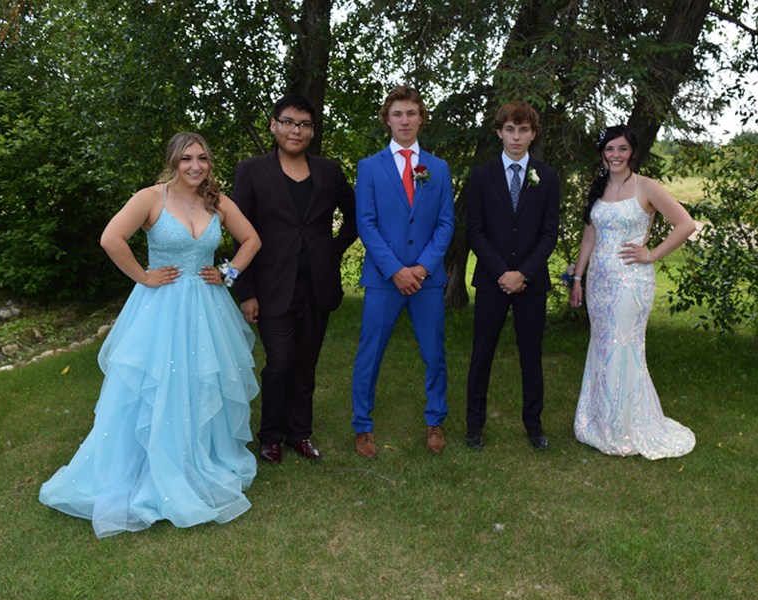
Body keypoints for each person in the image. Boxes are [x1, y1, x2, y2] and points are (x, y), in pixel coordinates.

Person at [39, 132, 262, 537]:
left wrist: (228, 273)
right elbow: (111, 239)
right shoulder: (150, 198)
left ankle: (198, 458)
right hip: (161, 308)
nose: (196, 166)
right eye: (187, 159)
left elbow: (252, 240)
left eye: (203, 159)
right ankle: (151, 468)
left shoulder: (217, 201)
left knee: (199, 383)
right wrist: (143, 276)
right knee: (158, 385)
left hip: (207, 308)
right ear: (173, 162)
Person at [232, 94, 357, 464]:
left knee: (306, 363)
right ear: (273, 125)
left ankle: (300, 434)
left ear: (312, 131)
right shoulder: (251, 170)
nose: (295, 130)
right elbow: (240, 232)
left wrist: (331, 251)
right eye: (288, 122)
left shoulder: (329, 171)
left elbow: (355, 217)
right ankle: (270, 436)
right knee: (280, 361)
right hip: (271, 287)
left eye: (303, 124)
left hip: (317, 284)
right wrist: (246, 291)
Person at [569, 125, 696, 459]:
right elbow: (590, 237)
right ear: (602, 153)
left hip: (631, 283)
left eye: (621, 149)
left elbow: (686, 224)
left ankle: (623, 427)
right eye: (609, 149)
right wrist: (578, 278)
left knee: (622, 346)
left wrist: (651, 254)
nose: (615, 155)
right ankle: (598, 420)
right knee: (601, 346)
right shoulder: (598, 188)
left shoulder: (646, 187)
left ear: (632, 152)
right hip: (599, 282)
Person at [350, 85, 455, 458]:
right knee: (369, 353)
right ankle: (362, 426)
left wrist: (423, 268)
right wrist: (395, 270)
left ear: (421, 118)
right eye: (398, 113)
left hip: (426, 280)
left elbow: (445, 223)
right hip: (384, 278)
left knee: (434, 353)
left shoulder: (438, 168)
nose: (405, 120)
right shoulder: (370, 167)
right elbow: (366, 223)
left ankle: (435, 420)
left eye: (411, 113)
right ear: (387, 119)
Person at [465, 101, 559, 451]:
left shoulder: (546, 177)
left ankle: (533, 424)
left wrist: (524, 273)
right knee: (482, 353)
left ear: (533, 134)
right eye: (509, 129)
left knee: (531, 354)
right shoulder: (481, 176)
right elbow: (475, 231)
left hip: (531, 282)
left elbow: (550, 233)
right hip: (492, 281)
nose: (516, 137)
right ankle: (474, 425)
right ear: (498, 132)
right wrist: (503, 272)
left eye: (523, 130)